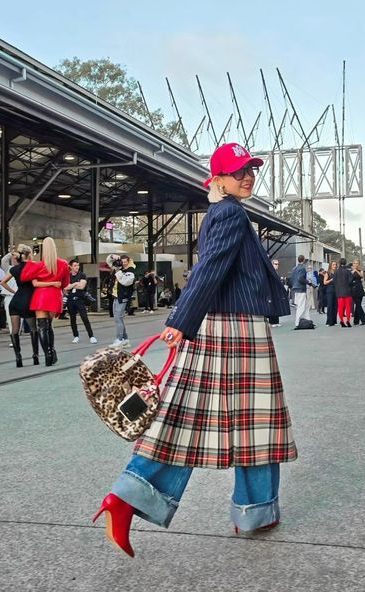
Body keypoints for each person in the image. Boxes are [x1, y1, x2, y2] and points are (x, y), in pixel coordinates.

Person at [92, 142, 296, 557]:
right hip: (235, 329)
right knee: (254, 421)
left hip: (224, 324)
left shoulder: (226, 213)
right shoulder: (229, 214)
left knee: (190, 418)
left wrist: (183, 322)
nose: (247, 177)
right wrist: (179, 322)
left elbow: (212, 270)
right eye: (239, 171)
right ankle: (254, 510)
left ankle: (129, 497)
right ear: (217, 179)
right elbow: (209, 270)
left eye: (251, 170)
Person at [1, 244, 61, 367]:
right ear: (29, 254)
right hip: (28, 301)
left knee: (15, 331)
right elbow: (36, 282)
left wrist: (13, 292)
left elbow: (3, 282)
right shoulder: (33, 266)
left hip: (15, 301)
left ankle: (18, 358)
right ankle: (35, 356)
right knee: (34, 329)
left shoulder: (14, 268)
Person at [20, 237, 69, 366]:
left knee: (42, 326)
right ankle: (52, 351)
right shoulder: (63, 264)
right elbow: (65, 283)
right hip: (54, 296)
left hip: (40, 297)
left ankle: (47, 354)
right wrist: (55, 283)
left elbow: (24, 277)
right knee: (49, 326)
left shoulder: (38, 265)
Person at [65, 259, 97, 344]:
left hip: (80, 299)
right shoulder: (67, 276)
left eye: (78, 265)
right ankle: (76, 336)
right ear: (70, 266)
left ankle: (91, 336)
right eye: (75, 265)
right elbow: (65, 287)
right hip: (70, 299)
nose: (77, 267)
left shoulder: (82, 275)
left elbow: (82, 286)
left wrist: (71, 285)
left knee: (84, 318)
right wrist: (75, 284)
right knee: (72, 318)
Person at [107, 254, 136, 348]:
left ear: (128, 261)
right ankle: (125, 339)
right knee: (117, 317)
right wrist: (112, 257)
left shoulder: (130, 271)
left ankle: (119, 339)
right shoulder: (119, 268)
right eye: (121, 262)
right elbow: (108, 262)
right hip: (115, 296)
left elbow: (125, 282)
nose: (123, 264)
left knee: (118, 318)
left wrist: (118, 271)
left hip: (122, 296)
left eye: (124, 262)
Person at [333, 258, 353, 327]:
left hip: (339, 292)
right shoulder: (348, 272)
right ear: (345, 263)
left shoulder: (336, 272)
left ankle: (341, 320)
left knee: (340, 307)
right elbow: (351, 281)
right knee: (347, 307)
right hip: (347, 291)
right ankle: (348, 320)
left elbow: (334, 281)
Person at [290, 255, 309, 327]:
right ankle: (297, 322)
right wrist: (308, 282)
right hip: (301, 289)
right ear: (303, 260)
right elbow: (301, 279)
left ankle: (307, 319)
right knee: (301, 306)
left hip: (295, 288)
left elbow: (291, 278)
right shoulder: (303, 268)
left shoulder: (294, 268)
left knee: (300, 305)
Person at [351, 259, 365, 326]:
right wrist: (353, 271)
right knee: (358, 305)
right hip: (353, 289)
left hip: (359, 289)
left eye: (357, 263)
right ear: (353, 264)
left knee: (358, 305)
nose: (356, 264)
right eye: (355, 263)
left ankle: (359, 320)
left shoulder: (360, 270)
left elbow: (362, 276)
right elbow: (349, 277)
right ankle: (361, 320)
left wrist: (356, 270)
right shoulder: (351, 271)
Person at [268, 259, 282, 327]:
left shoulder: (277, 273)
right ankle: (271, 322)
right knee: (272, 307)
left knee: (277, 306)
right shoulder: (270, 272)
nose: (277, 265)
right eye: (275, 264)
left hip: (276, 292)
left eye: (278, 264)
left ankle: (276, 321)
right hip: (271, 291)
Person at [323, 261, 337, 326]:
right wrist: (330, 280)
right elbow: (324, 282)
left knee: (335, 306)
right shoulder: (327, 273)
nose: (335, 266)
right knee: (330, 305)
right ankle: (329, 321)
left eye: (335, 265)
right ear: (330, 265)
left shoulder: (336, 273)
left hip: (336, 290)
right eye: (333, 264)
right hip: (330, 290)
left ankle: (334, 321)